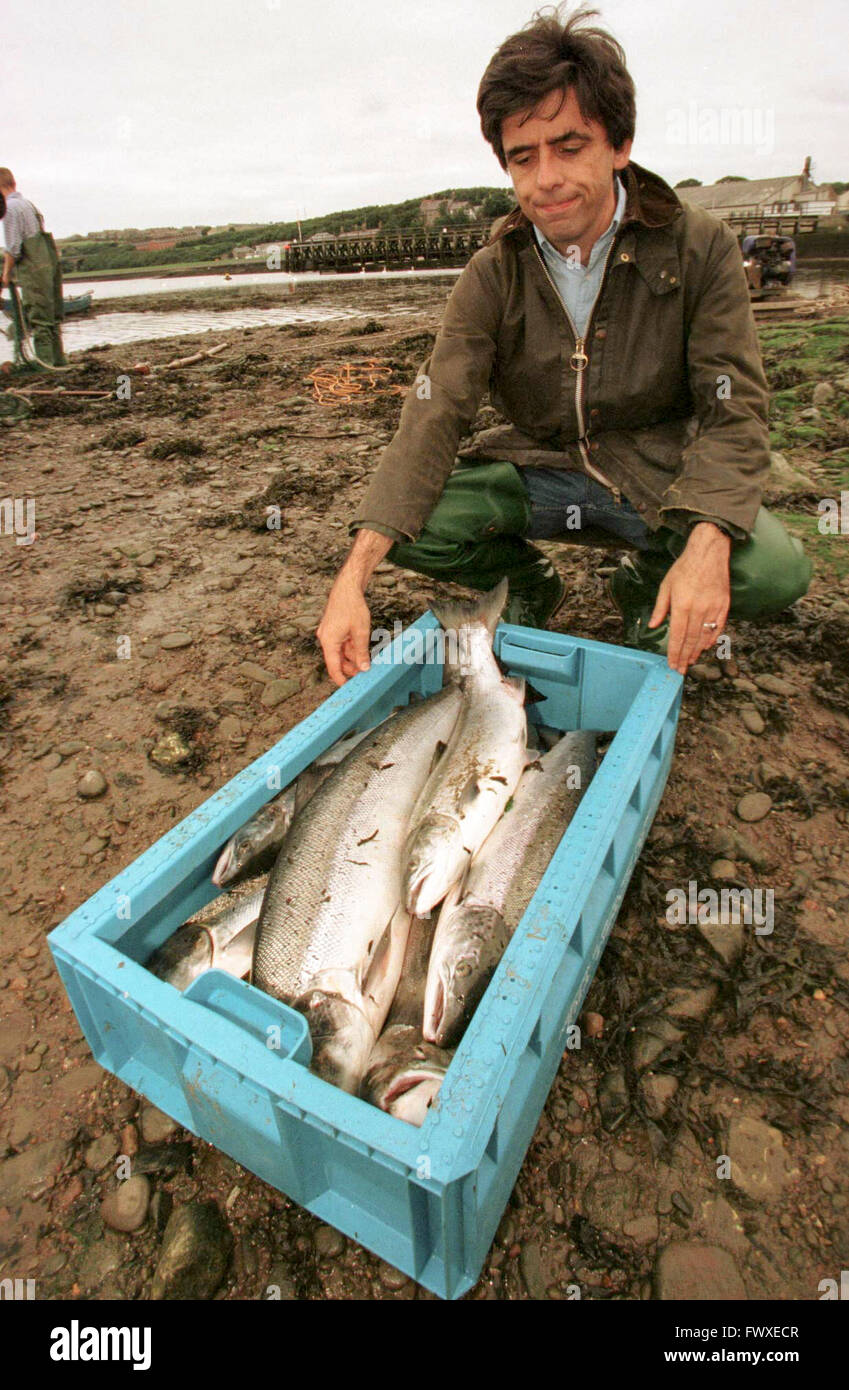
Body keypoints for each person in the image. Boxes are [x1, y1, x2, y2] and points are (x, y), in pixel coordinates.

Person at [316, 6, 811, 682]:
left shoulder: (700, 247)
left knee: (772, 571)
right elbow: (435, 412)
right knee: (404, 525)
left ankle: (642, 585)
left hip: (656, 480)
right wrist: (352, 579)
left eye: (569, 146)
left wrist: (706, 539)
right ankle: (526, 581)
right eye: (523, 157)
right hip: (542, 472)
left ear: (619, 143)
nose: (545, 178)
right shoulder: (493, 273)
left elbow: (735, 412)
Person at [0, 167, 66, 367]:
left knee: (39, 318)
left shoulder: (10, 209)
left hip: (34, 269)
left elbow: (13, 249)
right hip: (49, 266)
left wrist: (5, 275)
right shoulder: (28, 205)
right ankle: (58, 362)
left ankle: (44, 364)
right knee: (51, 316)